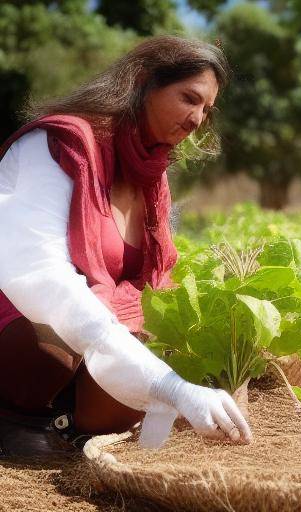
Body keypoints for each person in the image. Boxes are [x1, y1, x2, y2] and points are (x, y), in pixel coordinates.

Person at [0, 35, 251, 457]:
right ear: (142, 81)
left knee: (135, 379)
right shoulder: (60, 146)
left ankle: (63, 423)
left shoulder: (152, 177)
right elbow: (40, 278)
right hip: (24, 310)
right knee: (48, 348)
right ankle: (12, 414)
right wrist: (167, 384)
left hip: (85, 324)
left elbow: (150, 285)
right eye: (189, 98)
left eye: (207, 110)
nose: (197, 120)